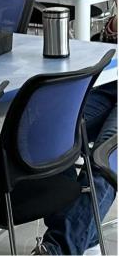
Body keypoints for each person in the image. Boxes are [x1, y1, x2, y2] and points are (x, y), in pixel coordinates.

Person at [35, 85, 116, 256]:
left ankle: (58, 249)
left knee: (105, 157)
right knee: (52, 130)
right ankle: (84, 239)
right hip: (109, 83)